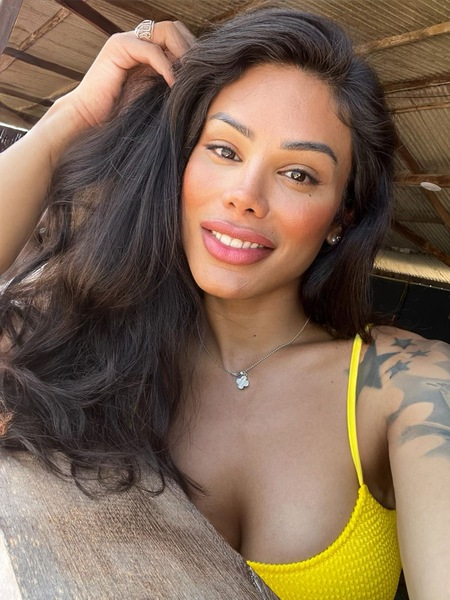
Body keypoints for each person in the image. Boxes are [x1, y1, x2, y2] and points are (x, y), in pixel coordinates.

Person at [0, 6, 449, 599]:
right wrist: (71, 117)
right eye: (225, 150)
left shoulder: (409, 388)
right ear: (181, 163)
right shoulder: (80, 343)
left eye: (298, 174)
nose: (245, 196)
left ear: (342, 215)